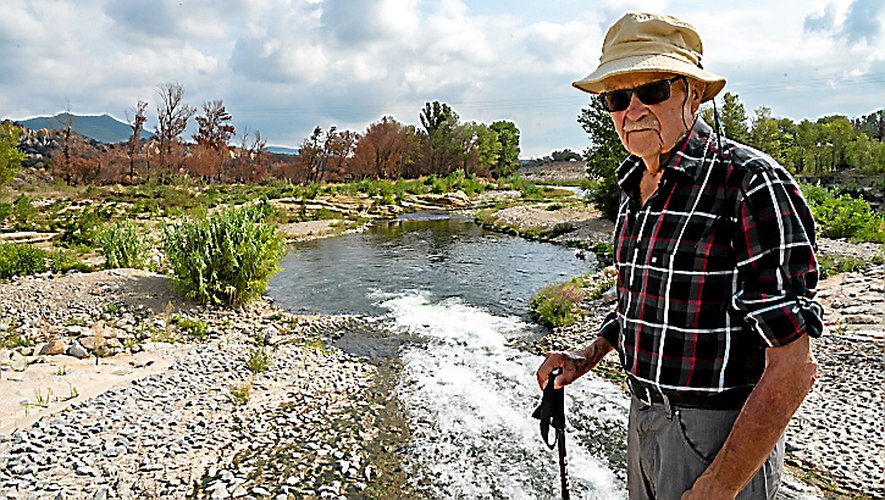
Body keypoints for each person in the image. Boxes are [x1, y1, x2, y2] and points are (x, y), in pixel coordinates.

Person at [536, 12, 823, 499]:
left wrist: (720, 484)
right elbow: (646, 300)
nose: (633, 110)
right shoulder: (634, 185)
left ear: (692, 92)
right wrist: (587, 356)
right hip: (642, 418)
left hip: (717, 434)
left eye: (652, 91)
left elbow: (794, 367)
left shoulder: (750, 182)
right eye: (617, 98)